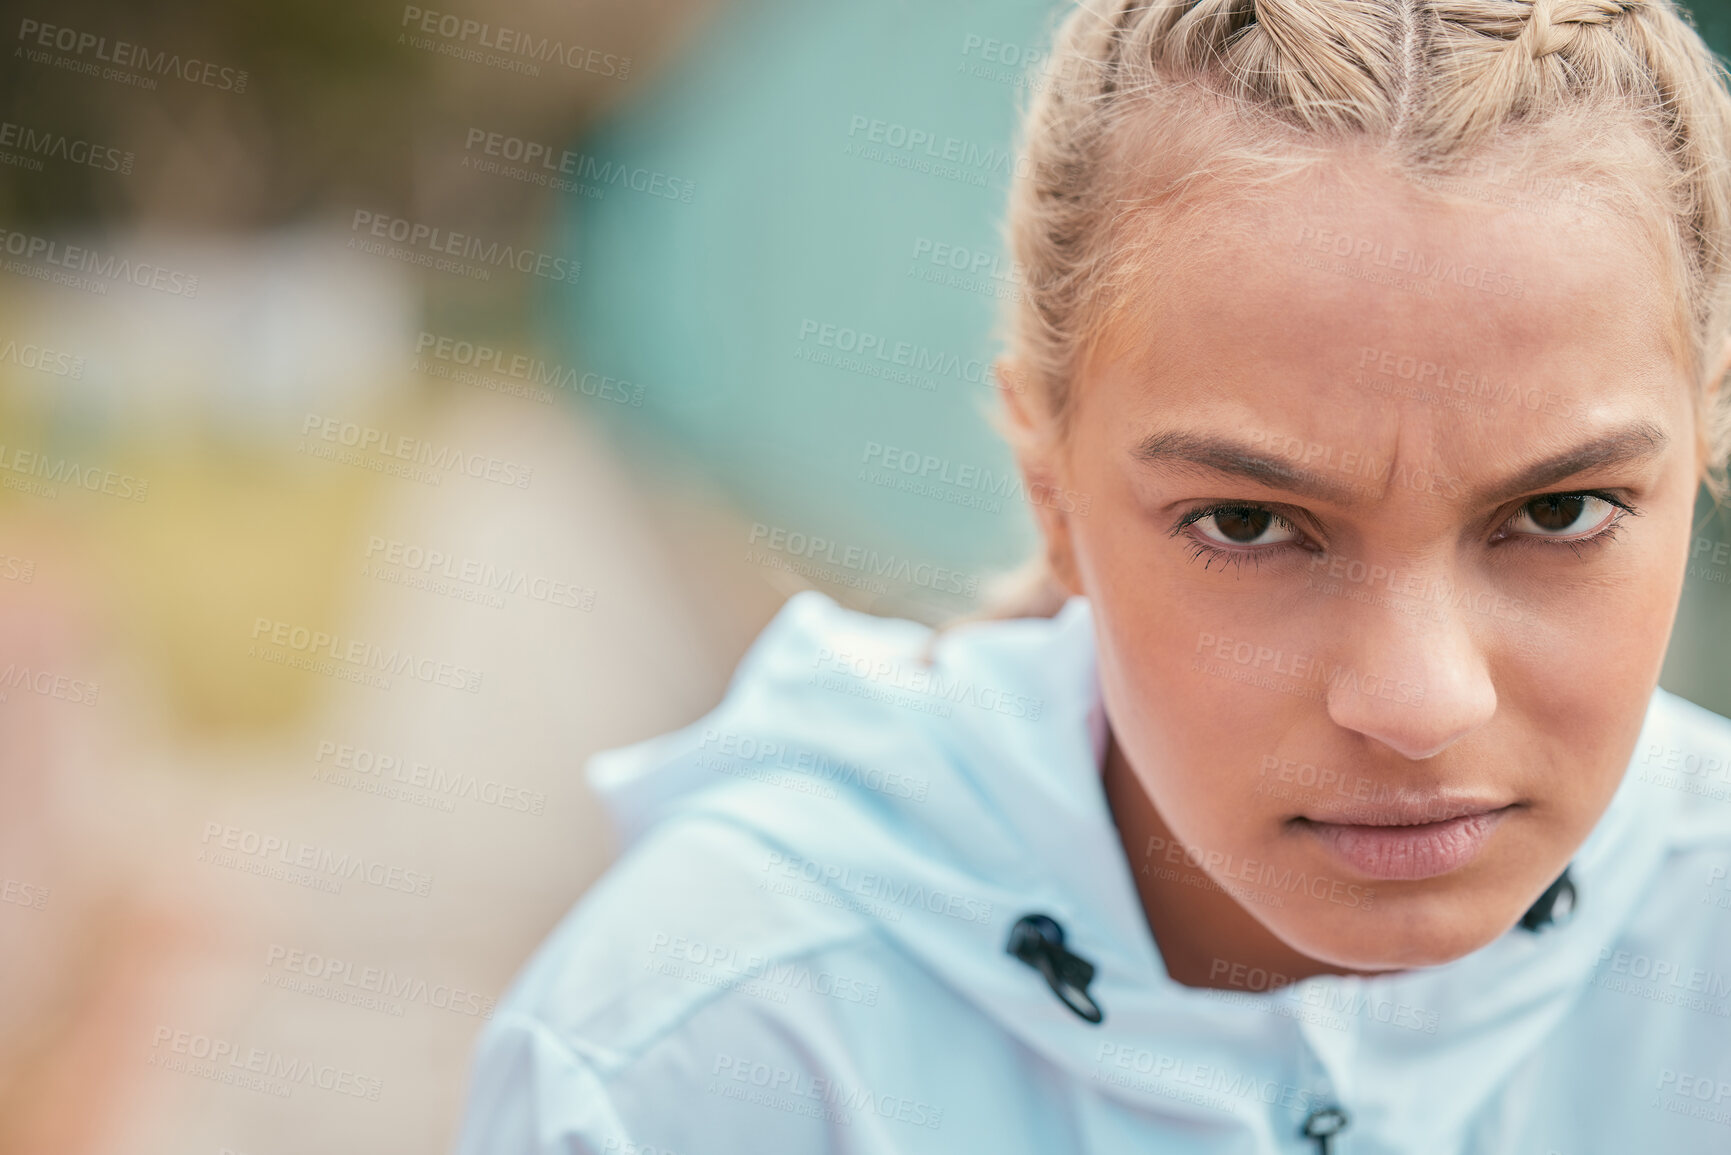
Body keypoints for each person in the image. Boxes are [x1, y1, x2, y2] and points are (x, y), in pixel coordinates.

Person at [456, 0, 1731, 1150]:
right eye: (1247, 523)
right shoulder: (711, 1052)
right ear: (1049, 494)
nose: (1416, 701)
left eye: (1560, 510)